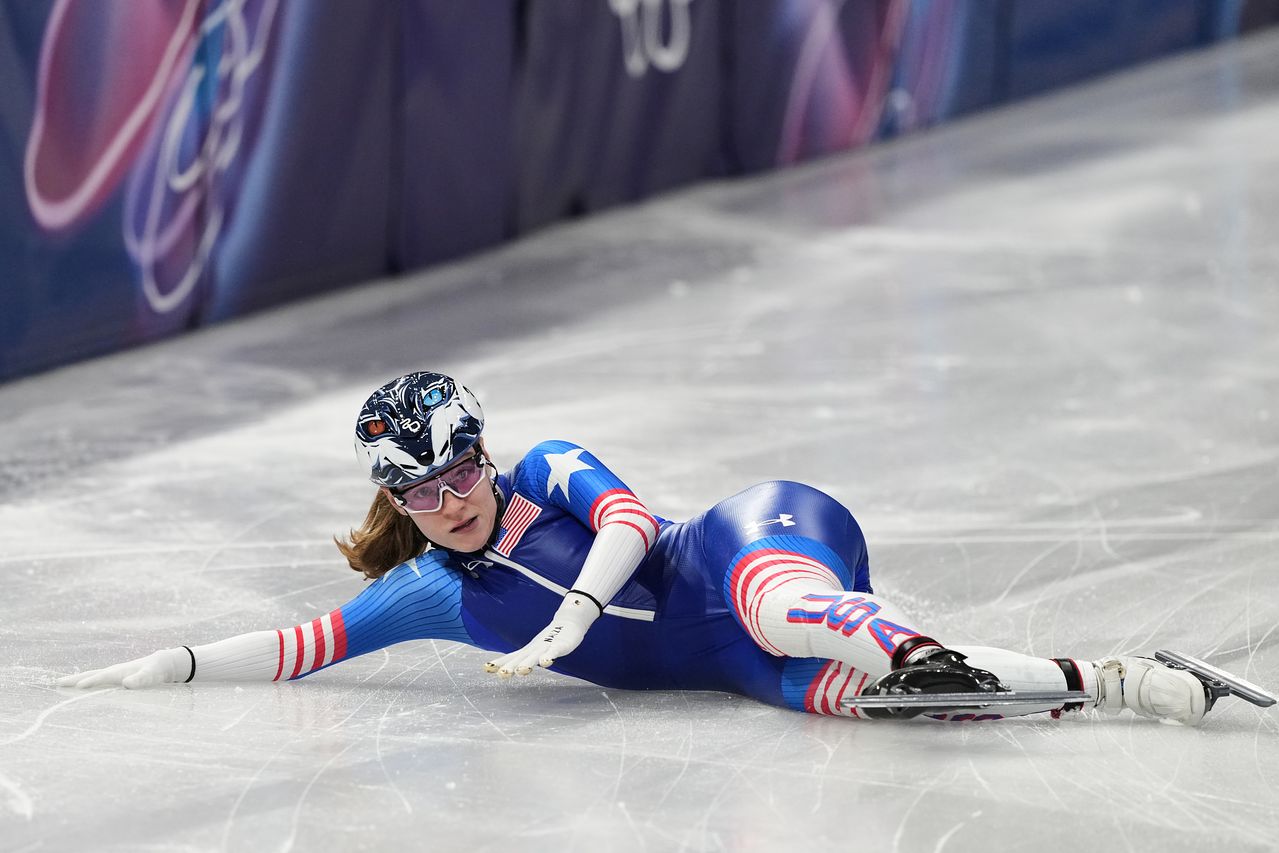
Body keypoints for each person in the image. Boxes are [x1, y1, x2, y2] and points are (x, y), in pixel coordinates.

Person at [56, 371, 1232, 724]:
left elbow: (625, 523)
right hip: (738, 670)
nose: (450, 502)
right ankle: (1118, 677)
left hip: (749, 545)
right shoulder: (427, 592)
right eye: (420, 493)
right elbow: (298, 643)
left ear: (487, 454)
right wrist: (168, 665)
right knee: (898, 708)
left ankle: (911, 641)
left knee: (780, 605)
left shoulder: (554, 466)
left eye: (459, 473)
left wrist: (569, 622)